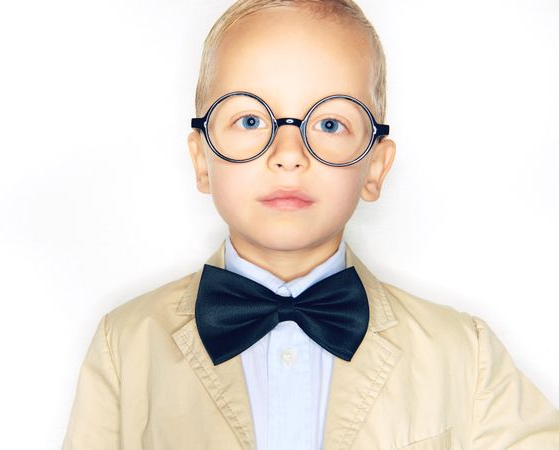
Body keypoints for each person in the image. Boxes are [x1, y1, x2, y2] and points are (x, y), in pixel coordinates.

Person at [61, 1, 559, 449]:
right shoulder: (125, 346)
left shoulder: (463, 354)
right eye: (251, 121)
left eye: (329, 124)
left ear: (375, 167)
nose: (289, 155)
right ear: (202, 161)